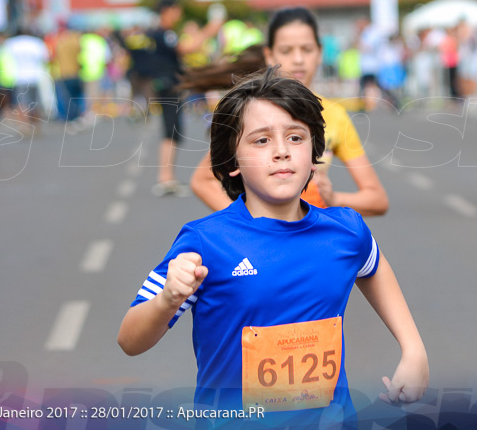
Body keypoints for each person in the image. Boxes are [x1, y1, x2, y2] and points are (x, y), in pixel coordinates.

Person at [117, 67, 428, 426]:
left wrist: (413, 349)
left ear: (315, 152)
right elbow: (130, 340)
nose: (281, 152)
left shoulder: (345, 230)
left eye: (296, 138)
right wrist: (167, 299)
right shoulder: (205, 241)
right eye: (261, 141)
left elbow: (373, 267)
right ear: (232, 162)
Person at [190, 7, 389, 216]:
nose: (298, 59)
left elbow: (377, 200)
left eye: (307, 49)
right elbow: (203, 181)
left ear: (320, 53)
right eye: (286, 51)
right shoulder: (252, 111)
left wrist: (334, 198)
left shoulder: (335, 115)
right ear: (269, 55)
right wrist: (252, 228)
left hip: (311, 240)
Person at [148, 0, 224, 197]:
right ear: (167, 10)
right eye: (176, 10)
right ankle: (165, 178)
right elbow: (186, 48)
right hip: (167, 86)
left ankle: (167, 177)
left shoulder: (161, 32)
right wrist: (209, 30)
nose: (179, 15)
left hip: (168, 85)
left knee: (173, 130)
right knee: (170, 129)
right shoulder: (164, 33)